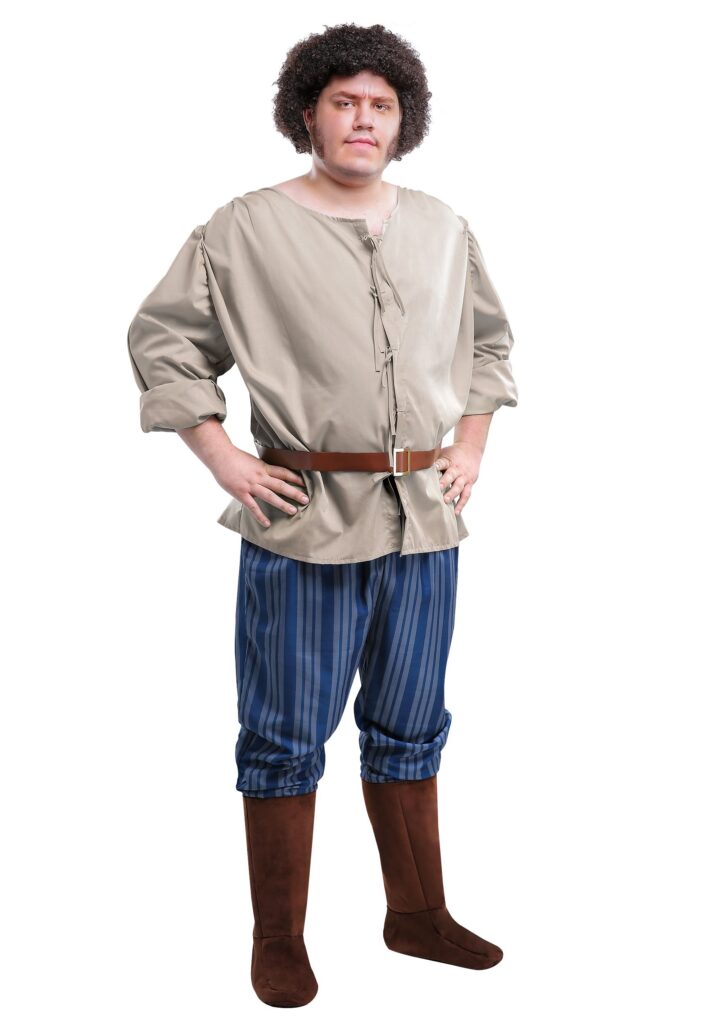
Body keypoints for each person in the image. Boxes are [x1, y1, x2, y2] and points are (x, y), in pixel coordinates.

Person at [127, 22, 518, 1009]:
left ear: (404, 120)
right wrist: (223, 456)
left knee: (412, 724)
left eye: (381, 105)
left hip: (425, 523)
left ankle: (417, 914)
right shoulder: (242, 229)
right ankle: (279, 938)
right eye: (344, 102)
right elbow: (166, 342)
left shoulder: (442, 227)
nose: (363, 120)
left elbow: (487, 346)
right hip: (303, 520)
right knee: (283, 735)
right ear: (307, 111)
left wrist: (470, 446)